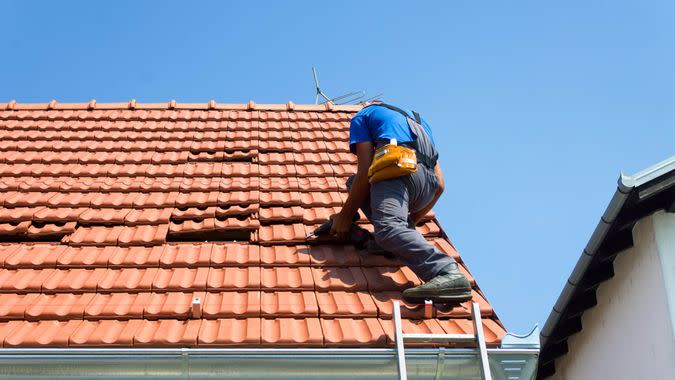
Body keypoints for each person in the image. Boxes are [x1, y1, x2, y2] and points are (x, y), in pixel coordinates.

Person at [329, 101, 472, 304]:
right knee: (354, 185)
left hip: (398, 171)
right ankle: (396, 241)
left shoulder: (362, 117)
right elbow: (440, 186)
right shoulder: (419, 122)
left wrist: (344, 217)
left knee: (387, 228)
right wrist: (410, 222)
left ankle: (446, 271)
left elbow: (363, 174)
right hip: (426, 187)